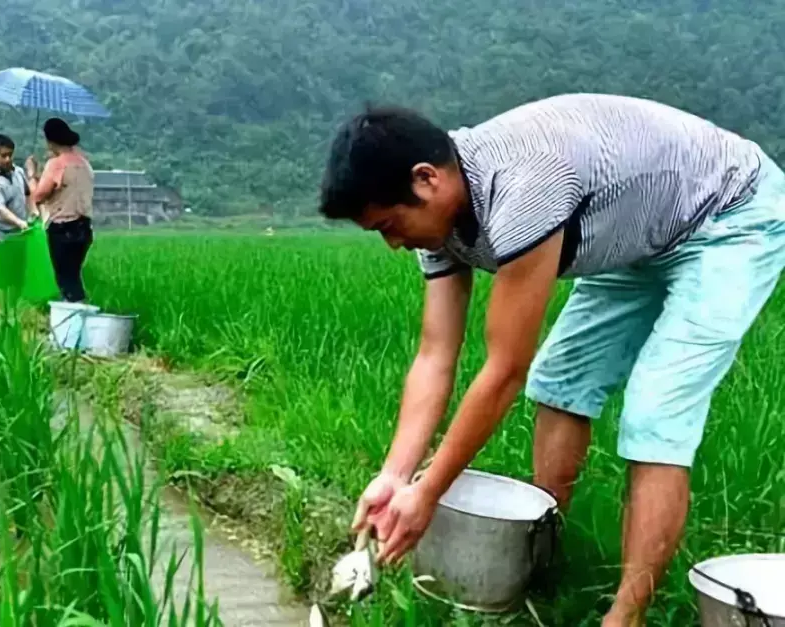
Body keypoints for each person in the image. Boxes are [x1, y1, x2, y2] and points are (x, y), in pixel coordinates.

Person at [318, 93, 785, 626]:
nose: (393, 243)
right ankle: (543, 559)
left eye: (388, 226)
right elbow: (435, 355)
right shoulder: (438, 218)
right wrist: (395, 477)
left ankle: (625, 616)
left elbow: (502, 372)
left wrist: (429, 494)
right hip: (639, 235)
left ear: (427, 179)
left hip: (729, 214)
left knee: (655, 414)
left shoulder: (523, 189)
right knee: (560, 382)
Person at [26, 118, 95, 302]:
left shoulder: (56, 164)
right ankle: (78, 313)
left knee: (65, 279)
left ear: (50, 141)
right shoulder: (84, 163)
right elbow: (63, 188)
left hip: (63, 229)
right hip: (84, 228)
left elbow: (39, 196)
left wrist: (31, 175)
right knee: (73, 275)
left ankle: (73, 320)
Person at [0, 134, 32, 244]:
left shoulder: (18, 171)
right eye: (3, 156)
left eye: (10, 155)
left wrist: (34, 211)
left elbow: (28, 193)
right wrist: (20, 222)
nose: (8, 159)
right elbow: (1, 210)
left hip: (18, 230)